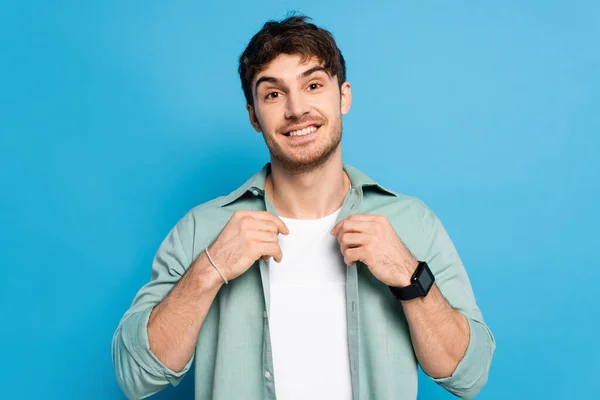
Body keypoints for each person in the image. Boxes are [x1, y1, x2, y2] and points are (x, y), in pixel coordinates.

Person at [112, 14, 495, 400]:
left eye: (313, 85)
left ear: (343, 96)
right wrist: (210, 268)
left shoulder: (411, 223)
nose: (296, 109)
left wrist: (410, 276)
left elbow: (469, 375)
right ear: (253, 116)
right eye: (273, 94)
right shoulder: (202, 229)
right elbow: (136, 377)